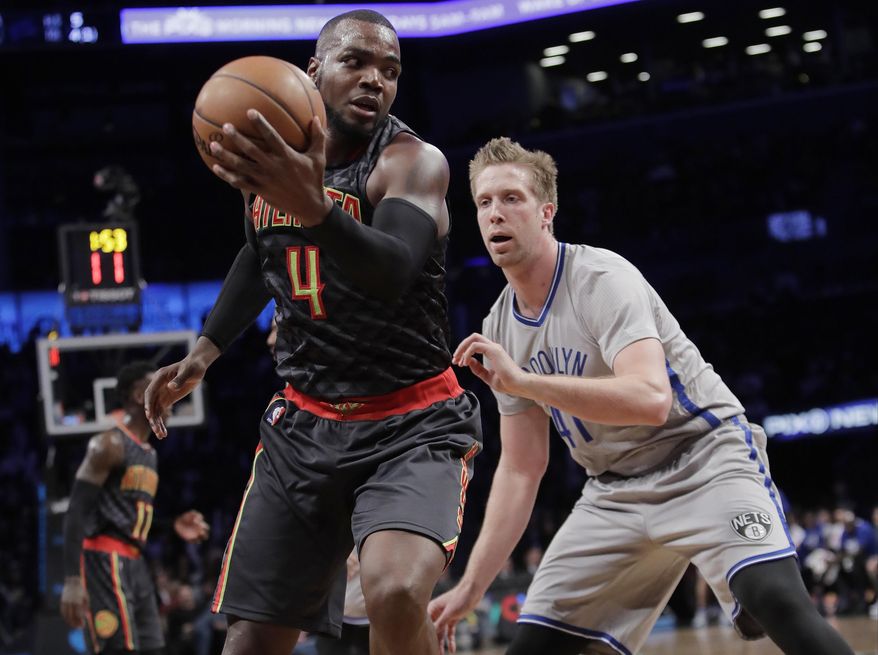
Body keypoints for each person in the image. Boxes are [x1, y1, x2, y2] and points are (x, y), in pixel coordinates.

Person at [428, 137, 855, 655]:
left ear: (547, 213)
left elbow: (651, 399)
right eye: (484, 202)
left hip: (702, 458)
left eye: (512, 198)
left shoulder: (602, 279)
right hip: (614, 491)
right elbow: (522, 469)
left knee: (775, 599)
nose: (496, 213)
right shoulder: (500, 325)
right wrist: (472, 586)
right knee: (533, 647)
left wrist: (525, 383)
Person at [144, 10, 481, 655]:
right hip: (305, 423)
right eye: (355, 62)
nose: (374, 81)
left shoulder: (412, 162)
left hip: (410, 422)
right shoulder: (275, 160)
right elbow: (259, 253)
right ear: (313, 70)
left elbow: (392, 271)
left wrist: (316, 208)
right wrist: (205, 351)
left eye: (389, 71)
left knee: (395, 591)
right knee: (250, 642)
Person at [61, 361, 210, 654]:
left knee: (153, 647)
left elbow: (128, 516)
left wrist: (171, 525)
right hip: (105, 559)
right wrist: (72, 580)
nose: (170, 393)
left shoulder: (149, 454)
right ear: (136, 394)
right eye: (160, 384)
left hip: (136, 561)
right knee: (118, 649)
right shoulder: (108, 444)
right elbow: (77, 510)